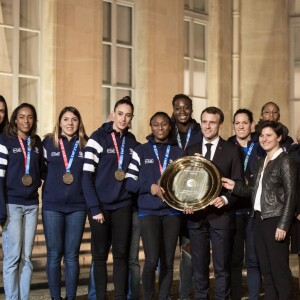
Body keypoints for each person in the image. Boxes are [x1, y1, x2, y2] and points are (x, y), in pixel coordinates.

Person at [222, 120, 297, 300]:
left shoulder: (285, 161)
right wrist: (234, 187)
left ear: (279, 137)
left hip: (275, 221)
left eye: (269, 135)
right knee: (267, 272)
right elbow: (255, 192)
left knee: (279, 272)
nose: (264, 139)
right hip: (259, 220)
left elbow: (291, 195)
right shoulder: (262, 160)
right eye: (262, 135)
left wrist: (283, 225)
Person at [184, 106, 244, 299]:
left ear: (220, 124)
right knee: (199, 269)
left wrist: (226, 198)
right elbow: (184, 182)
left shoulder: (231, 150)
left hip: (221, 218)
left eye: (212, 122)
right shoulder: (191, 149)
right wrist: (185, 201)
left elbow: (239, 184)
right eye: (204, 121)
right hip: (196, 218)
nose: (207, 126)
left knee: (222, 269)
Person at [83, 96, 139, 299]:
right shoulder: (98, 137)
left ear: (132, 117)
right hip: (100, 207)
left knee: (121, 256)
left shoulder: (132, 142)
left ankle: (119, 297)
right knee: (99, 256)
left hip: (123, 205)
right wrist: (94, 208)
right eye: (120, 114)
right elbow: (86, 176)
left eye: (128, 115)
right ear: (114, 114)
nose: (124, 119)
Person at [126, 112, 184, 300]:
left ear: (170, 126)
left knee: (167, 262)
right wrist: (149, 187)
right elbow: (129, 183)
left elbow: (185, 183)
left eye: (164, 124)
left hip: (172, 213)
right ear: (151, 127)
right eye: (156, 125)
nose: (160, 128)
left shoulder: (179, 152)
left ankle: (164, 297)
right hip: (148, 212)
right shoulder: (140, 151)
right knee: (151, 260)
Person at [42, 106, 88, 300]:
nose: (70, 123)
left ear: (79, 123)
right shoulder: (48, 143)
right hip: (52, 206)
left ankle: (70, 297)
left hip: (78, 207)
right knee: (54, 255)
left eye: (74, 119)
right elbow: (40, 171)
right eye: (66, 119)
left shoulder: (86, 145)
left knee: (71, 256)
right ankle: (55, 297)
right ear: (59, 122)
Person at [0, 103, 43, 299]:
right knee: (12, 258)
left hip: (32, 205)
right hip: (13, 205)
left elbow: (42, 171)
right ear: (15, 119)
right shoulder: (5, 140)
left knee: (27, 258)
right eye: (22, 117)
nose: (26, 121)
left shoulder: (36, 143)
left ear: (34, 120)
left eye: (30, 117)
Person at [228, 109, 262, 299]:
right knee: (234, 259)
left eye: (244, 122)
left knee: (253, 259)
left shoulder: (259, 147)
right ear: (233, 125)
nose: (241, 126)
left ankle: (254, 296)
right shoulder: (226, 146)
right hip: (232, 209)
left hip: (253, 209)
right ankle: (234, 295)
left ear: (251, 125)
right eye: (237, 123)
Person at [171, 94, 203, 299]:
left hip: (193, 195)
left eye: (186, 108)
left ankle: (186, 294)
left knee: (189, 248)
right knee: (166, 253)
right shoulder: (166, 130)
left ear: (192, 109)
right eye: (178, 107)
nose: (182, 111)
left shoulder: (200, 132)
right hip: (171, 197)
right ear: (173, 109)